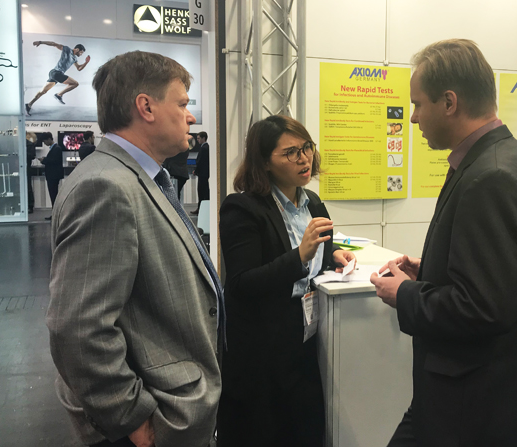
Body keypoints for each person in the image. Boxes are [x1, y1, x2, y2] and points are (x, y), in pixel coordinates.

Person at [369, 39, 517, 447]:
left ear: (449, 102)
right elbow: (505, 278)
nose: (413, 118)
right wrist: (432, 271)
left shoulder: (492, 175)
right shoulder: (502, 158)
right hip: (480, 394)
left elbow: (483, 308)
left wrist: (405, 294)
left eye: (418, 105)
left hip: (484, 404)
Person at [46, 51, 223, 447]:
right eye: (182, 104)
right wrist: (130, 417)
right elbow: (78, 329)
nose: (191, 116)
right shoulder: (106, 186)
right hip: (151, 421)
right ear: (146, 107)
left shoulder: (140, 178)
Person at [218, 115, 355, 447]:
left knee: (306, 431)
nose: (304, 158)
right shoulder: (242, 208)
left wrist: (333, 253)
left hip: (305, 340)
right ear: (265, 162)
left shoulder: (313, 202)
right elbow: (241, 283)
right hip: (261, 352)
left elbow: (318, 248)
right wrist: (300, 256)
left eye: (306, 147)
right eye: (290, 152)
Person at [26, 41, 90, 115]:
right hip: (56, 73)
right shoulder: (67, 49)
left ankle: (29, 104)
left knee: (43, 91)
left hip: (55, 75)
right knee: (75, 83)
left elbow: (79, 68)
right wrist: (40, 42)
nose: (81, 54)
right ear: (77, 49)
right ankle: (59, 95)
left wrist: (86, 62)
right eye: (81, 52)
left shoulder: (75, 59)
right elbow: (54, 44)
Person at [38, 132, 63, 220]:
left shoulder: (57, 148)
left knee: (54, 196)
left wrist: (44, 160)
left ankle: (56, 215)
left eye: (45, 141)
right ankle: (55, 214)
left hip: (53, 176)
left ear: (49, 139)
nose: (44, 143)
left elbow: (54, 161)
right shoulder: (54, 148)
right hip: (52, 176)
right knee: (53, 195)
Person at [191, 131, 209, 215]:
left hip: (202, 174)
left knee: (201, 192)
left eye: (198, 138)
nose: (197, 140)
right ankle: (203, 208)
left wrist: (196, 171)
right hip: (204, 174)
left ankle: (201, 209)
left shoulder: (204, 148)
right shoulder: (206, 147)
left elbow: (200, 162)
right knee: (204, 191)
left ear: (203, 138)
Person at [25, 132, 37, 213]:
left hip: (27, 168)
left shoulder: (29, 144)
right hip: (16, 168)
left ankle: (30, 206)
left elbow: (32, 155)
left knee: (28, 187)